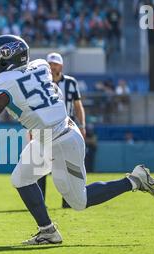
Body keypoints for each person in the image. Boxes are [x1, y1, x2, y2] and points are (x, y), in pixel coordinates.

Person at [0, 35, 154, 245]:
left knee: (79, 202)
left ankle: (134, 180)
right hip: (47, 135)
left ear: (7, 58)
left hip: (62, 139)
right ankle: (48, 231)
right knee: (21, 178)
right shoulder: (40, 66)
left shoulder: (5, 83)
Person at [45, 52, 86, 207]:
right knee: (40, 164)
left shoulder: (70, 82)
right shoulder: (42, 84)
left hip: (66, 127)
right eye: (49, 63)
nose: (52, 66)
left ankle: (68, 201)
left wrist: (82, 125)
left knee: (68, 165)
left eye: (54, 63)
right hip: (46, 128)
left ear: (61, 66)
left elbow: (78, 106)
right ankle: (40, 201)